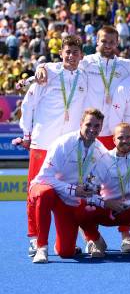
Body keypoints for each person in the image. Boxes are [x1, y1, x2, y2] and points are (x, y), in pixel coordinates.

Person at [18, 35, 88, 255]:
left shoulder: (84, 78)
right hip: (42, 142)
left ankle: (64, 239)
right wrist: (27, 134)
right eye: (67, 52)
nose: (71, 56)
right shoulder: (47, 73)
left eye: (75, 53)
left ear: (81, 56)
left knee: (68, 194)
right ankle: (34, 236)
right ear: (61, 53)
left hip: (67, 148)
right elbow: (28, 104)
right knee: (36, 192)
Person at [29, 109, 109, 263]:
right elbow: (44, 177)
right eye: (88, 124)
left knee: (66, 252)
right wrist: (71, 189)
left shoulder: (100, 151)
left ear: (101, 127)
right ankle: (41, 248)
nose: (92, 129)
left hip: (71, 200)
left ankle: (90, 239)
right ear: (80, 124)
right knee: (45, 193)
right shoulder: (63, 143)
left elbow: (105, 179)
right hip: (49, 189)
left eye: (97, 126)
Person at [75, 123, 130, 258]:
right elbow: (88, 192)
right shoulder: (103, 160)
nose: (124, 140)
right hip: (109, 209)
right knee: (80, 209)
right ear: (113, 140)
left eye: (128, 137)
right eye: (120, 137)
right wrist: (105, 203)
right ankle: (97, 241)